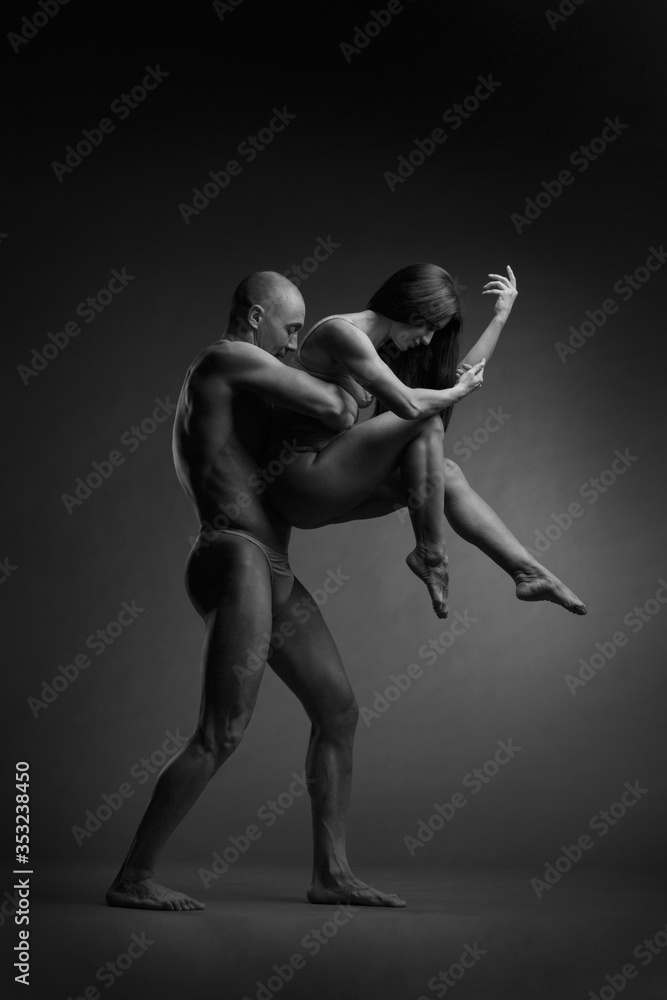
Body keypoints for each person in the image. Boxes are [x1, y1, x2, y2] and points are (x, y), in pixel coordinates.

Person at [106, 270, 448, 911]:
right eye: (291, 330)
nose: (296, 345)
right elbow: (337, 408)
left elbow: (318, 453)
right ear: (256, 315)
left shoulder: (254, 381)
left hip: (273, 563)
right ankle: (132, 878)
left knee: (339, 712)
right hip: (234, 554)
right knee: (222, 732)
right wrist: (361, 376)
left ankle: (332, 875)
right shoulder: (226, 357)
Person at [266, 263, 587, 616]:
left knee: (445, 473)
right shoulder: (341, 332)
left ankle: (527, 572)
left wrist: (499, 319)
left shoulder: (382, 348)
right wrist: (457, 394)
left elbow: (458, 379)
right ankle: (431, 555)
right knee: (426, 420)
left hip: (327, 487)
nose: (429, 339)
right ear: (410, 309)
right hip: (297, 482)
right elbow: (409, 404)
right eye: (429, 327)